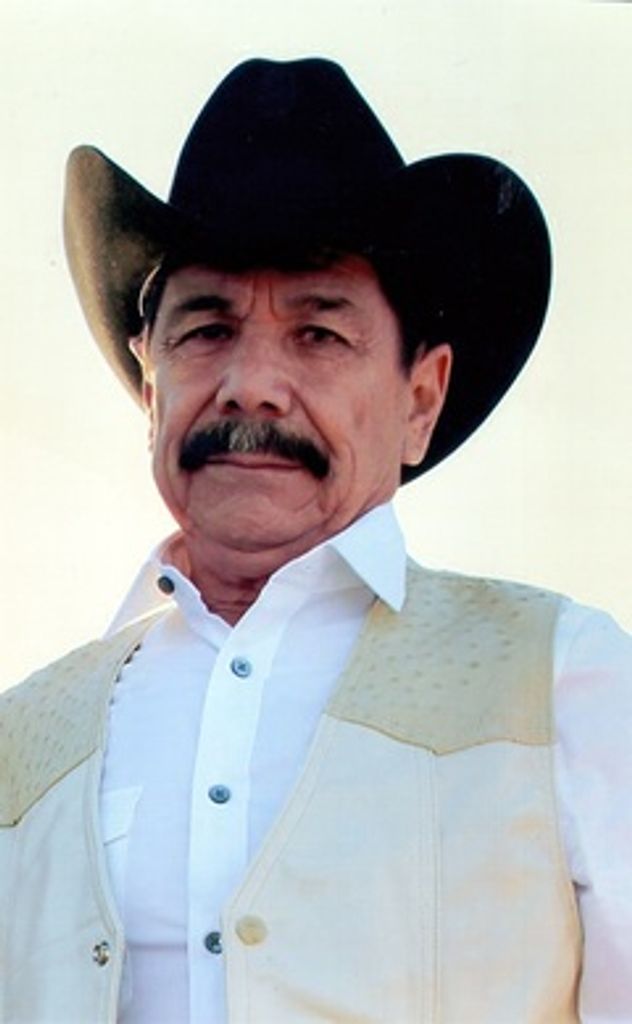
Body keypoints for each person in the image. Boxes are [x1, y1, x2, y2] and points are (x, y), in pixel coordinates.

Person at [0, 57, 630, 1024]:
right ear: (150, 383)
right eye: (206, 329)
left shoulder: (564, 682)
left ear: (420, 400)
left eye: (319, 334)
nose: (252, 385)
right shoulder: (19, 743)